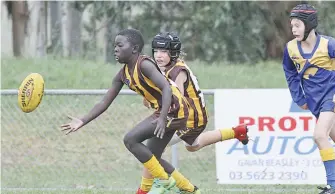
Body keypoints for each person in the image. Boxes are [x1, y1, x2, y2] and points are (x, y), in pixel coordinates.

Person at [61, 28, 197, 194]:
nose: (115, 49)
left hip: (174, 110)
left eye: (120, 45)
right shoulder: (122, 74)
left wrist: (162, 119)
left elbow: (166, 88)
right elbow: (105, 102)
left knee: (130, 139)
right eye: (114, 45)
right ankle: (190, 190)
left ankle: (165, 182)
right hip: (167, 112)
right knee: (152, 157)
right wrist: (82, 120)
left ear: (134, 49)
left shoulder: (144, 64)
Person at [136, 32, 249, 194]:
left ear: (173, 53)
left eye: (164, 51)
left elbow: (176, 103)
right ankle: (237, 132)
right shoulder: (162, 69)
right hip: (192, 116)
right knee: (193, 146)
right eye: (156, 51)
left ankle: (145, 190)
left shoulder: (177, 72)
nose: (159, 55)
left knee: (151, 152)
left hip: (190, 118)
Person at [283, 4, 335, 194]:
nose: (293, 29)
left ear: (309, 24)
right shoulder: (290, 48)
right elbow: (290, 73)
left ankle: (333, 187)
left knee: (319, 136)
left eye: (297, 25)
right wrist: (299, 97)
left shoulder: (329, 45)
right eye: (292, 25)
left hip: (332, 98)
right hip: (314, 103)